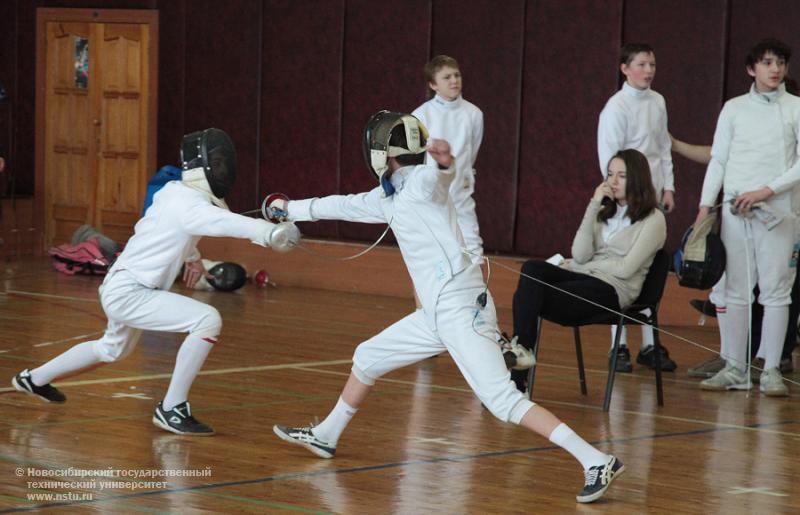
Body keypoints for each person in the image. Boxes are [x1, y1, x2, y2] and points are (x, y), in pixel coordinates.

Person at [270, 111, 624, 504]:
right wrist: (290, 208)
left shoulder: (420, 182)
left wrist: (443, 163)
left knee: (503, 401)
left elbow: (438, 179)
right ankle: (327, 436)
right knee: (368, 357)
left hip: (459, 308)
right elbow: (339, 205)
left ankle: (596, 460)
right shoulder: (388, 197)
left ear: (379, 153)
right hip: (437, 315)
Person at [11, 128, 301, 434]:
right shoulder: (190, 205)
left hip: (122, 286)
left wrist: (194, 259)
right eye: (216, 164)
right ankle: (172, 408)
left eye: (223, 163)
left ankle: (33, 379)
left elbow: (175, 230)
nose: (222, 170)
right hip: (130, 292)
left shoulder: (174, 192)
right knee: (207, 320)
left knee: (112, 349)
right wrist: (269, 233)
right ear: (200, 166)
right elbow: (223, 222)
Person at [509, 149, 666, 391]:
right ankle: (521, 353)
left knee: (529, 297)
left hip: (614, 291)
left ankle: (517, 377)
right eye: (610, 174)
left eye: (621, 176)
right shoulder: (605, 211)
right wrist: (593, 205)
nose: (612, 181)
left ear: (637, 178)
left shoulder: (653, 219)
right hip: (584, 278)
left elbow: (624, 269)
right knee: (532, 269)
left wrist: (581, 266)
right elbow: (580, 252)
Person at [696, 38, 800, 397]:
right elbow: (719, 160)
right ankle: (735, 368)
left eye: (781, 63)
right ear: (751, 68)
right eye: (767, 63)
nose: (775, 69)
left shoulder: (796, 108)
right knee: (735, 291)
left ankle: (770, 370)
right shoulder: (734, 109)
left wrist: (766, 190)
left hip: (780, 214)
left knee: (775, 292)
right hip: (735, 212)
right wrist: (705, 207)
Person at [671, 135, 798, 381]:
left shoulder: (792, 114)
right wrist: (705, 206)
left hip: (787, 214)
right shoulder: (739, 114)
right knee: (730, 285)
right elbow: (719, 155)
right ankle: (731, 357)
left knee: (779, 288)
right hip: (747, 214)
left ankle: (771, 359)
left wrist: (765, 193)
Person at [597, 43, 676, 372]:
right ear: (625, 69)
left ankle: (649, 345)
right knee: (621, 269)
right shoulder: (615, 108)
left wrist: (668, 186)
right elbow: (609, 158)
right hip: (626, 203)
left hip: (653, 200)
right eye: (642, 64)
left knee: (650, 270)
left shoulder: (658, 101)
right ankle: (619, 347)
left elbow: (662, 147)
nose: (649, 70)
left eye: (652, 64)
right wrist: (621, 196)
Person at [412, 55, 484, 264]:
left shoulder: (474, 114)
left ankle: (477, 297)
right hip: (431, 196)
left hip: (460, 195)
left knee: (473, 249)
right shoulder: (420, 115)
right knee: (430, 253)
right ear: (433, 84)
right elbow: (416, 158)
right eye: (447, 77)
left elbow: (471, 153)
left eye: (457, 75)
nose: (454, 81)